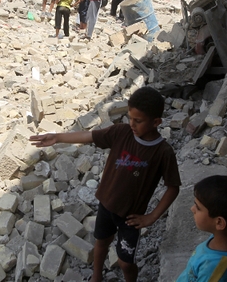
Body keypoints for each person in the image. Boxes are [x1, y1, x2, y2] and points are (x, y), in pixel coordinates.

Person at [30, 86, 181, 282]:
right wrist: (58, 137)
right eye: (130, 118)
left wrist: (151, 217)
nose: (132, 124)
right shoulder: (121, 132)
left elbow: (173, 187)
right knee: (101, 243)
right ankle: (96, 277)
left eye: (138, 120)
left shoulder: (163, 152)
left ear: (156, 122)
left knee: (126, 262)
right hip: (106, 206)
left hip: (131, 217)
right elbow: (90, 136)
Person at [176, 176, 227, 282]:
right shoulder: (226, 239)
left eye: (198, 208)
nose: (192, 209)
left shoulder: (213, 269)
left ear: (219, 223)